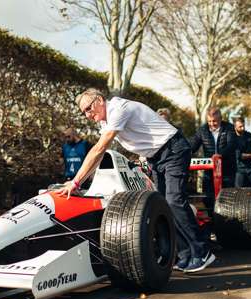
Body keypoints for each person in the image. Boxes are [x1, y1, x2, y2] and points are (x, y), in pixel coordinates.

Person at [55, 88, 215, 273]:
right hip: (157, 157)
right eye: (84, 112)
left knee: (174, 201)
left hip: (173, 150)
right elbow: (100, 156)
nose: (88, 114)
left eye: (89, 108)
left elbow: (99, 149)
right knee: (163, 205)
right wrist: (79, 183)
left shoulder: (118, 109)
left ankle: (202, 251)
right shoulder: (105, 120)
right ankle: (186, 255)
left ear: (99, 100)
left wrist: (75, 183)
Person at [190, 107, 237, 212]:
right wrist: (185, 152)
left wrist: (219, 155)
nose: (212, 124)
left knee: (227, 195)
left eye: (214, 121)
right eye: (209, 121)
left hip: (227, 168)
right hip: (209, 170)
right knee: (208, 195)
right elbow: (193, 145)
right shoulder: (203, 130)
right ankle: (212, 216)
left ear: (220, 119)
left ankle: (227, 218)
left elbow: (231, 145)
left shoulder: (229, 128)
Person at [233, 118, 251, 187]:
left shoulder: (248, 135)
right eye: (240, 127)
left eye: (243, 126)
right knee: (239, 192)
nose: (243, 128)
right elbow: (238, 155)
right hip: (239, 169)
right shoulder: (232, 138)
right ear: (235, 127)